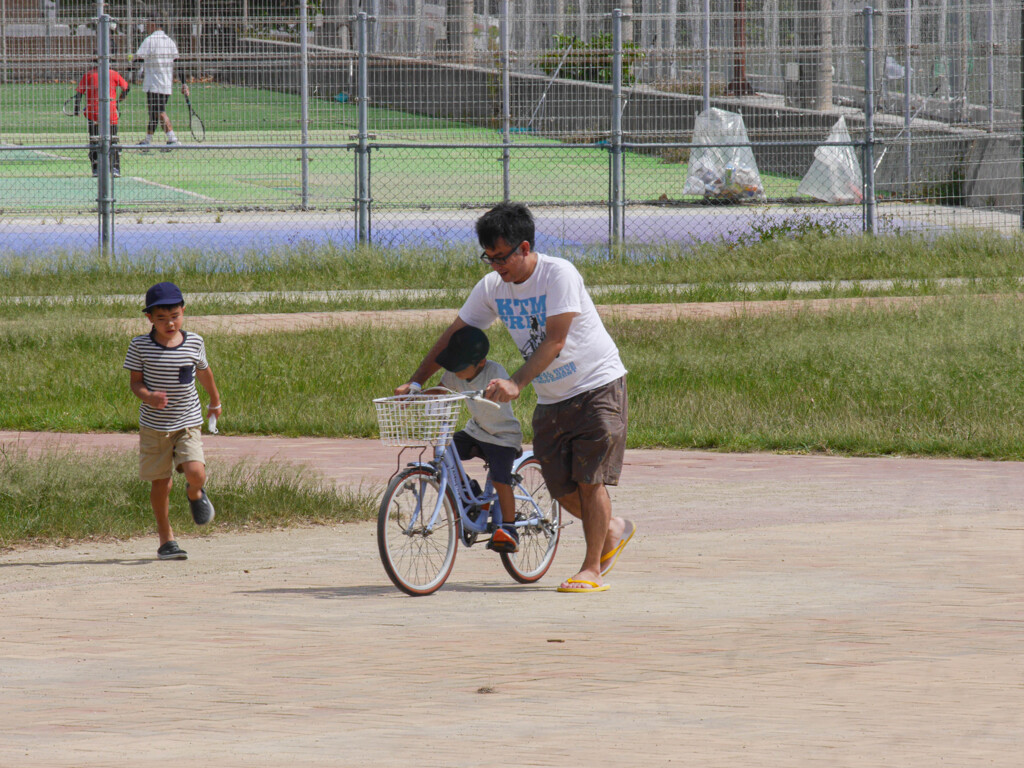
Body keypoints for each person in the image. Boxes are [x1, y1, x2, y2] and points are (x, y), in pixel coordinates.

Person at [398, 202, 636, 593]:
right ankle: (613, 528)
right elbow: (453, 335)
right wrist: (417, 381)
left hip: (597, 385)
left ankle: (591, 568)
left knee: (590, 481)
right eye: (488, 258)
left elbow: (556, 340)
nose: (496, 266)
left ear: (524, 248)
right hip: (552, 396)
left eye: (502, 257)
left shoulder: (558, 274)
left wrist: (517, 383)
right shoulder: (492, 287)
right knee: (561, 489)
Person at [124, 282, 222, 560]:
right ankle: (166, 539)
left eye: (175, 316)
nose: (170, 323)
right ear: (149, 318)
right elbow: (135, 383)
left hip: (188, 419)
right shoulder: (140, 345)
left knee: (196, 472)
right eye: (162, 318)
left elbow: (204, 373)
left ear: (184, 311)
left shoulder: (195, 342)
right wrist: (149, 396)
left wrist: (215, 401)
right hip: (154, 425)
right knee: (161, 482)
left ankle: (195, 493)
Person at [425, 325, 524, 553]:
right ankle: (469, 491)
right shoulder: (453, 374)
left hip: (502, 436)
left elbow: (503, 388)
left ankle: (509, 528)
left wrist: (495, 390)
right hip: (477, 431)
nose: (455, 372)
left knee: (500, 479)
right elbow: (441, 390)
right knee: (444, 454)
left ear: (480, 362)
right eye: (453, 366)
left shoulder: (493, 371)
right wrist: (416, 393)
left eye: (461, 367)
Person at [134, 16, 189, 151]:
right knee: (153, 113)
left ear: (153, 24)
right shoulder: (170, 41)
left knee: (159, 112)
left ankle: (173, 139)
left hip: (154, 84)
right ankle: (147, 141)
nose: (146, 27)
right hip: (165, 84)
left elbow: (138, 59)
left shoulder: (150, 40)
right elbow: (178, 63)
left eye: (148, 24)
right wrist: (184, 83)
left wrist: (128, 68)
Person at [74, 58, 130, 177]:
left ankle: (96, 168)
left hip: (93, 114)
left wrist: (76, 109)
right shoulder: (114, 74)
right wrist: (119, 100)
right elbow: (127, 88)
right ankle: (115, 168)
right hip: (110, 113)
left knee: (94, 140)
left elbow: (79, 93)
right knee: (113, 140)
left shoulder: (89, 75)